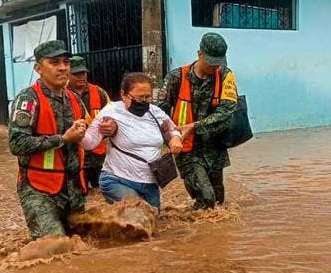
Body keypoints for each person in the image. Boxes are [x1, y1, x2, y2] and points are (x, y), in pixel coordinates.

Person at [8, 40, 117, 240]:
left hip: (74, 191)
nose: (62, 68)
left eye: (66, 62)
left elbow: (90, 137)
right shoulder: (28, 99)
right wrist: (63, 139)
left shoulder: (74, 99)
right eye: (54, 62)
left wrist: (108, 129)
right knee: (55, 245)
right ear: (38, 68)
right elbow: (17, 144)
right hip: (38, 190)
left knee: (87, 244)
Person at [157, 32, 239, 210]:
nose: (214, 66)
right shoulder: (175, 78)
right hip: (187, 149)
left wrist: (193, 127)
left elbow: (227, 112)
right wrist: (172, 137)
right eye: (211, 61)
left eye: (218, 62)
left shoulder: (226, 76)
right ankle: (189, 235)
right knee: (207, 198)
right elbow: (159, 113)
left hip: (215, 148)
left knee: (218, 200)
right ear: (199, 53)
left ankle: (205, 232)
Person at [82, 72, 182, 209]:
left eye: (148, 97)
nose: (145, 101)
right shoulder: (112, 111)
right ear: (123, 95)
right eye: (140, 98)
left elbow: (172, 129)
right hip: (118, 180)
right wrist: (79, 131)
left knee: (153, 221)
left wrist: (176, 139)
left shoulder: (155, 112)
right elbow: (89, 143)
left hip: (150, 183)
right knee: (138, 211)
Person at [67, 56, 112, 190]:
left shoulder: (99, 92)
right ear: (68, 74)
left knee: (104, 193)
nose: (81, 77)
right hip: (75, 157)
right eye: (76, 74)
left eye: (83, 73)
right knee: (80, 195)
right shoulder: (62, 95)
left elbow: (112, 115)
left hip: (99, 157)